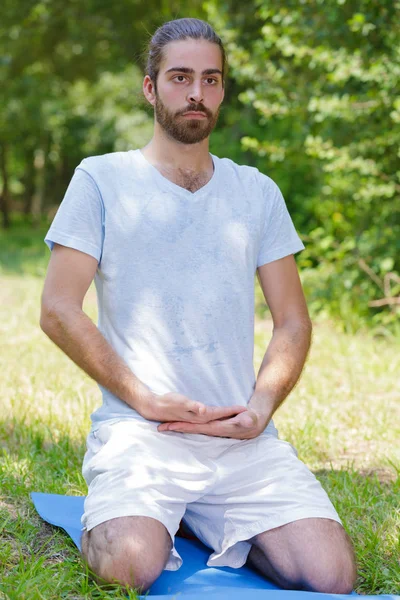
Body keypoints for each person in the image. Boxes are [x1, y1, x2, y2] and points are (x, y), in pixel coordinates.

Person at [40, 17, 357, 595]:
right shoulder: (102, 180)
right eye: (181, 77)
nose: (196, 94)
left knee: (330, 577)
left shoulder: (256, 191)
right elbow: (59, 309)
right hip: (141, 432)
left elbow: (292, 321)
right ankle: (139, 514)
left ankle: (195, 516)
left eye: (211, 80)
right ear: (150, 87)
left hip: (240, 439)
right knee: (130, 565)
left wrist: (260, 408)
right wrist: (144, 398)